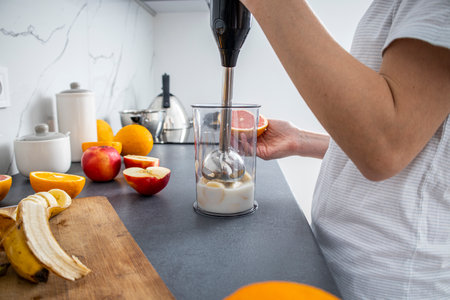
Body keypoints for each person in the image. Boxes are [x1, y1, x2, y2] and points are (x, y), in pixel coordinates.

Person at [239, 0, 450, 299]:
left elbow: (386, 144)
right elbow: (416, 147)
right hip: (343, 269)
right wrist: (301, 140)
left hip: (392, 283)